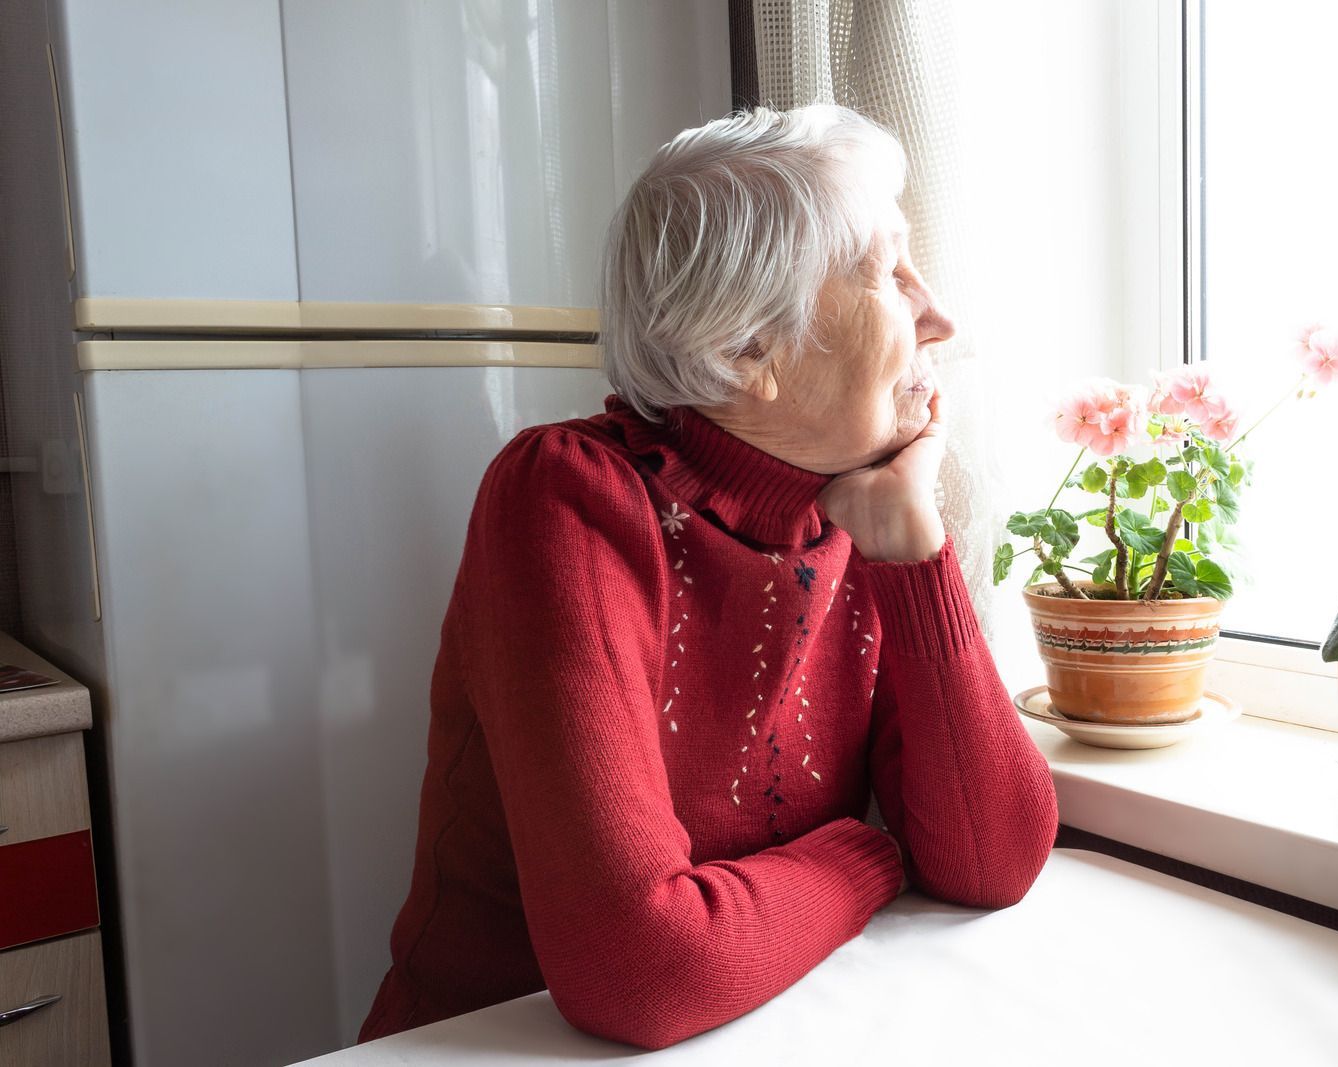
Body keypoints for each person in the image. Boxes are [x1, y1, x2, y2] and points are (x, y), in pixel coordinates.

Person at [358, 104, 1058, 1051]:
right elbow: (642, 971)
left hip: (760, 1022)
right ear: (745, 351)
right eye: (889, 275)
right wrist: (866, 855)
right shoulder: (565, 497)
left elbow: (997, 856)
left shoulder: (853, 505)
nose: (939, 315)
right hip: (494, 1044)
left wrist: (913, 552)